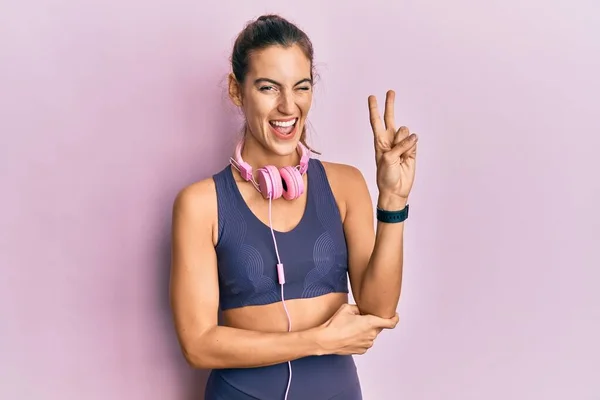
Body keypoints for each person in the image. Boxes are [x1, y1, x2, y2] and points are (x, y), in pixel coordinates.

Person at [169, 13, 419, 400]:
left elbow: (378, 309)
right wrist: (318, 340)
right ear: (238, 91)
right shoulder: (201, 204)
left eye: (301, 87)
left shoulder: (345, 185)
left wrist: (393, 202)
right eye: (269, 88)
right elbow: (198, 345)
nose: (289, 106)